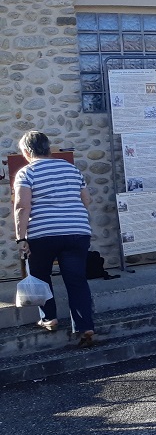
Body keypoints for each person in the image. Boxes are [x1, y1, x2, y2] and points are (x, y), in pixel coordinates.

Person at [12, 130, 96, 346]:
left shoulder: (26, 172)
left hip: (43, 234)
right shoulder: (71, 169)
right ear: (48, 148)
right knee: (76, 280)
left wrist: (21, 238)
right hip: (77, 232)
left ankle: (49, 318)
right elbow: (86, 199)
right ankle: (85, 326)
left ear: (27, 151)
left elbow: (22, 206)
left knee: (40, 275)